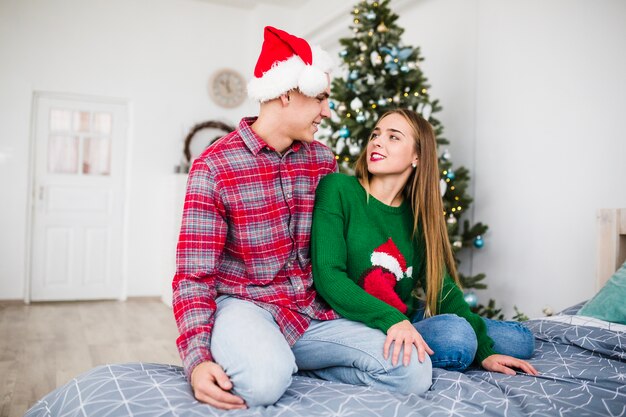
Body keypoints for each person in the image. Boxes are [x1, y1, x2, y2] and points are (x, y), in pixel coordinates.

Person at [172, 27, 432, 411]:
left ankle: (295, 365)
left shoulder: (323, 161)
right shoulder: (214, 167)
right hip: (246, 306)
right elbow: (193, 276)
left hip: (310, 313)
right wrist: (196, 360)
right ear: (286, 93)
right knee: (262, 383)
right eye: (321, 98)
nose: (327, 111)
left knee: (413, 370)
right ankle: (272, 362)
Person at [311, 108, 539, 376]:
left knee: (521, 340)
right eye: (376, 134)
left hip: (407, 319)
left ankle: (456, 336)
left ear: (417, 156)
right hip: (359, 323)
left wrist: (486, 354)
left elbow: (442, 289)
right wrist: (393, 319)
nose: (377, 142)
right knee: (458, 338)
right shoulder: (338, 189)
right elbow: (329, 277)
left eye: (393, 137)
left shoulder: (417, 217)